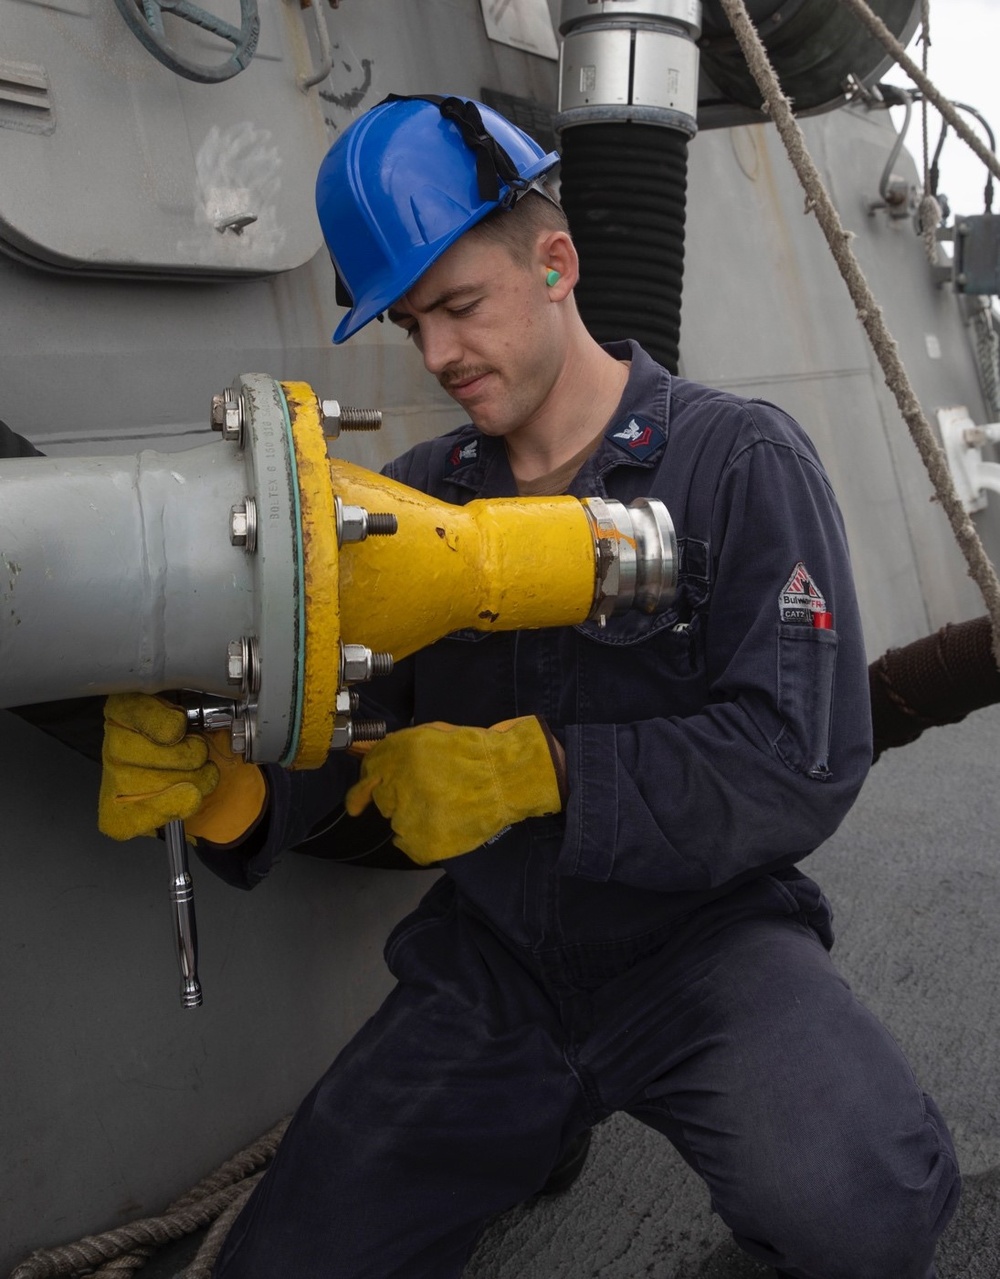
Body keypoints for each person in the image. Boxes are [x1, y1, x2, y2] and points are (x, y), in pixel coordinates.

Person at [94, 96, 960, 1278]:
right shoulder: (418, 495)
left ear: (555, 263)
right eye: (413, 324)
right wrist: (229, 791)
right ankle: (535, 1118)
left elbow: (798, 751)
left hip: (699, 944)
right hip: (494, 955)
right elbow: (348, 726)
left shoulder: (735, 462)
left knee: (862, 1215)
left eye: (459, 305)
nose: (440, 353)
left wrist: (541, 767)